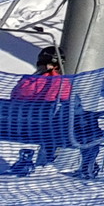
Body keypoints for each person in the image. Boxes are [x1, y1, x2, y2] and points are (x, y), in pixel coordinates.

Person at [7, 48, 70, 176]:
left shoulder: (27, 81)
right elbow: (66, 103)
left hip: (15, 128)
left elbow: (14, 97)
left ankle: (27, 160)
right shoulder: (61, 82)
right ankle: (47, 162)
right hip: (44, 130)